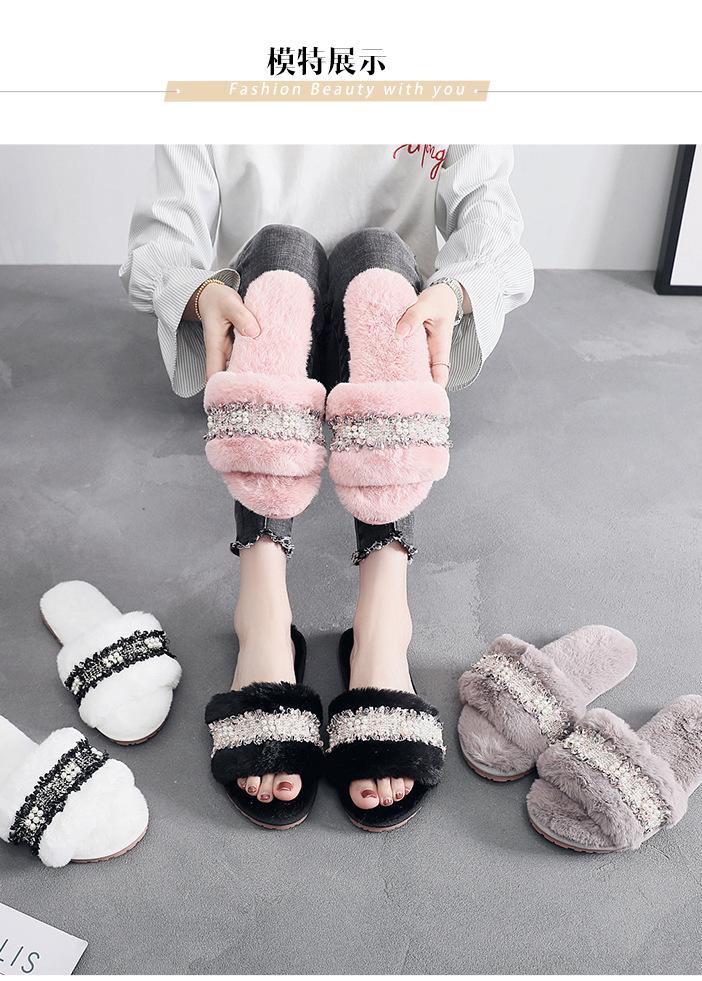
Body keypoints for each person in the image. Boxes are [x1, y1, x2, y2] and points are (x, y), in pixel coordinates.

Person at [120, 144, 534, 827]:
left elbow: (496, 228)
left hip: (384, 343)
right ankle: (262, 611)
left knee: (379, 261)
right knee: (281, 255)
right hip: (264, 343)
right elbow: (157, 243)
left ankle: (382, 620)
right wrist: (197, 292)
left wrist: (456, 292)